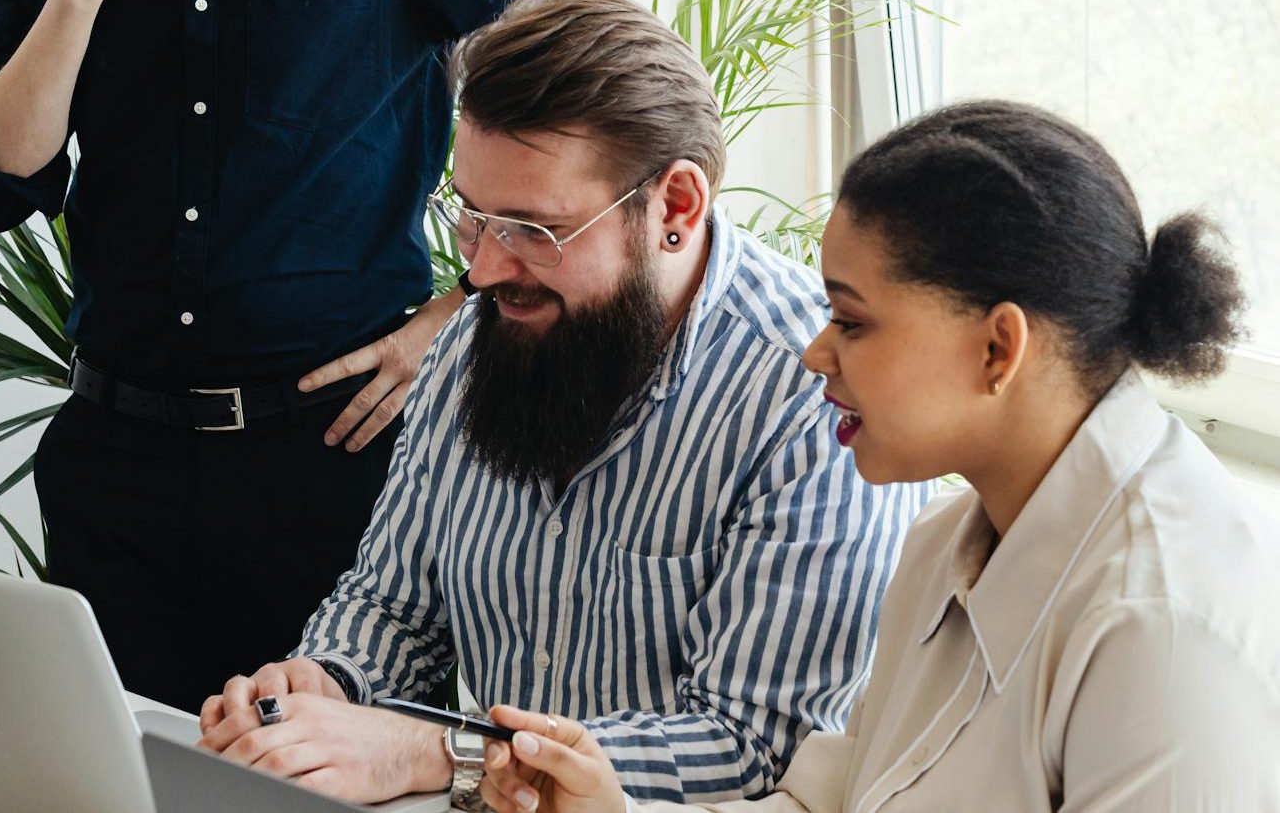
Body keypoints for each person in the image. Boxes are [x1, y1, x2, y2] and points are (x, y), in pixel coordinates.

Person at [194, 0, 933, 808]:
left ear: (675, 207)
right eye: (470, 217)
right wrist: (322, 686)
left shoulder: (811, 391)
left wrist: (450, 752)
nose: (481, 269)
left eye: (533, 230)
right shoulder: (481, 338)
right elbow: (392, 605)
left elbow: (758, 742)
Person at [479, 100, 1280, 812]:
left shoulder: (1164, 628)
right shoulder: (940, 544)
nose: (814, 353)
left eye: (851, 321)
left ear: (998, 347)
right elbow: (817, 802)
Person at [0, 0, 572, 712]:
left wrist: (462, 309)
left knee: (316, 779)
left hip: (330, 460)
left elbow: (599, 72)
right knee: (121, 781)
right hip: (116, 464)